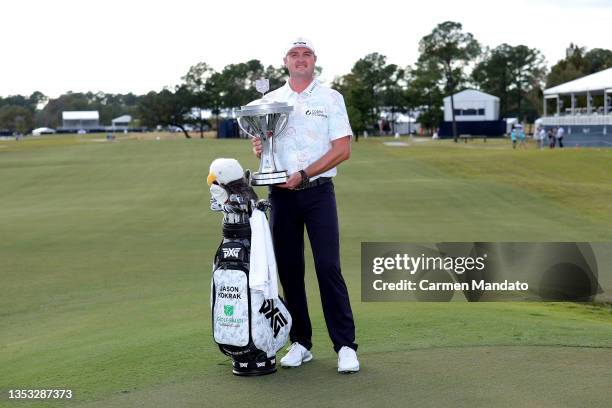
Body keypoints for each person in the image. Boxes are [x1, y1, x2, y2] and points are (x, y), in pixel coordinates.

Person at [251, 38, 359, 373]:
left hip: (318, 192)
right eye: (294, 54)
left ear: (315, 60)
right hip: (281, 195)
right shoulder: (271, 100)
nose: (301, 59)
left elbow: (342, 149)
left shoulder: (330, 98)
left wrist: (304, 174)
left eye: (306, 54)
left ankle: (345, 346)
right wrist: (261, 148)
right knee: (289, 271)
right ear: (285, 61)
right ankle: (301, 342)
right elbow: (265, 148)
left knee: (328, 267)